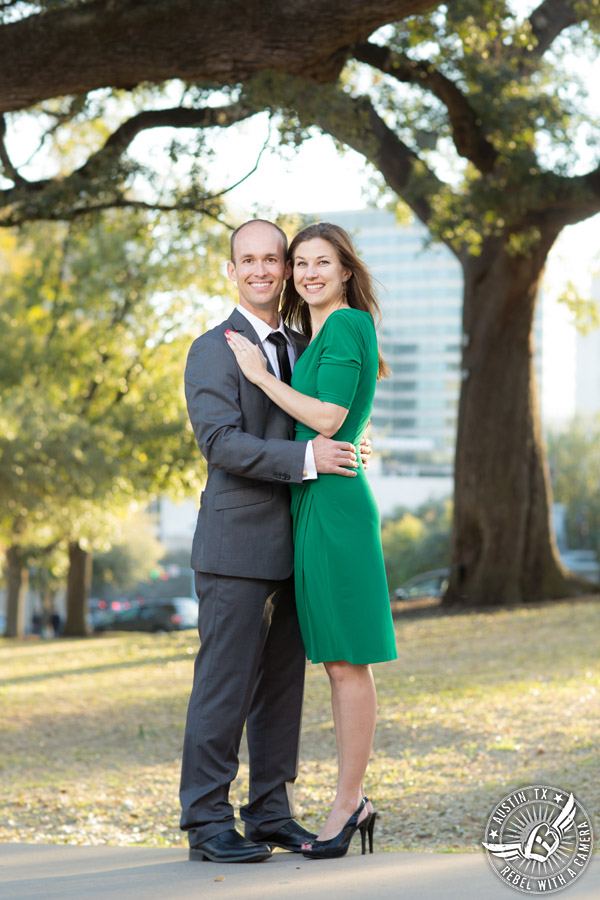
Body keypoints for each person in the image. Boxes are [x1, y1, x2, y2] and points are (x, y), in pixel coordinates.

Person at [180, 219, 367, 864]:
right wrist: (308, 460)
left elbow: (324, 413)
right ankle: (206, 821)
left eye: (273, 259)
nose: (261, 270)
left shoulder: (298, 344)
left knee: (282, 689)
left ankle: (268, 813)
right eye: (247, 260)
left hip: (298, 543)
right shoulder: (212, 349)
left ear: (285, 269)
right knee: (223, 686)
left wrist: (341, 447)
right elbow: (220, 443)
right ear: (231, 270)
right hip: (235, 546)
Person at [226, 222, 398, 860]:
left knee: (349, 661)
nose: (307, 273)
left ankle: (350, 803)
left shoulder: (349, 325)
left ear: (347, 270)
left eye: (321, 262)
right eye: (300, 263)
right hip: (312, 503)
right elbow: (341, 417)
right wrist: (352, 430)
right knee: (335, 662)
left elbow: (328, 417)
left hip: (336, 509)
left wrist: (260, 375)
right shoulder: (318, 334)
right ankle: (353, 800)